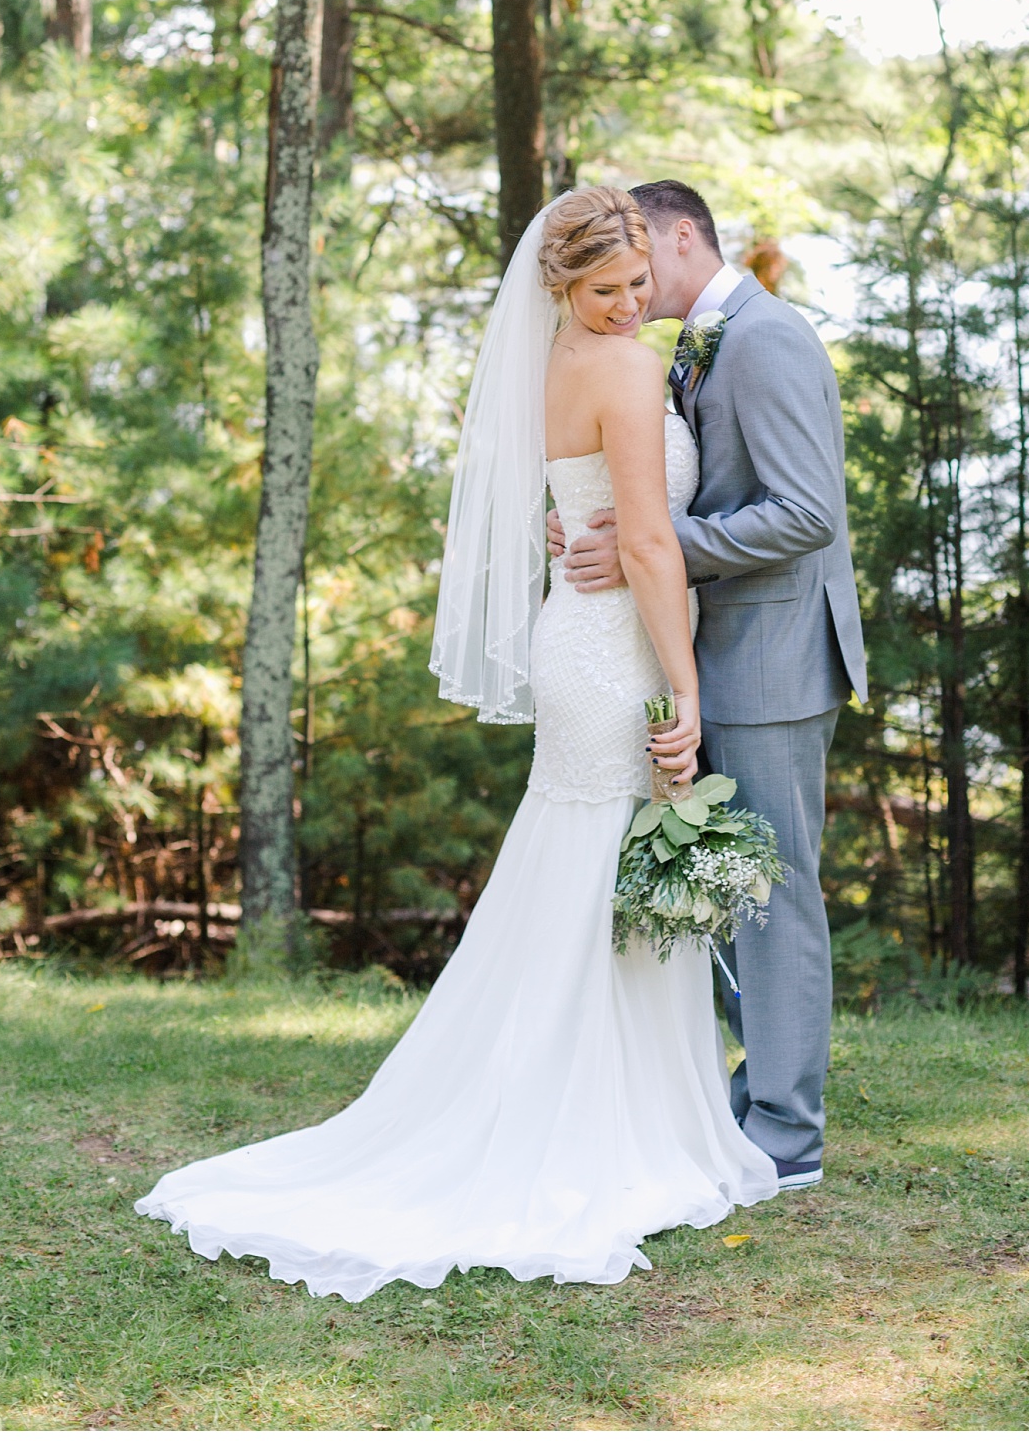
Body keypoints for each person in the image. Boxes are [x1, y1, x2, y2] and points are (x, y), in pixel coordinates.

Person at [135, 186, 777, 1301]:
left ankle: (599, 1110)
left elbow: (583, 508)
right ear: (560, 285)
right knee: (597, 879)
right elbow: (651, 549)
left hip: (576, 636)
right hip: (615, 653)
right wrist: (688, 693)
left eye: (638, 284)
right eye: (606, 289)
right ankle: (585, 1131)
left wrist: (591, 549)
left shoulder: (559, 363)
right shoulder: (622, 369)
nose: (632, 306)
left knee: (587, 878)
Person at [549, 180, 866, 1190]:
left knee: (774, 897)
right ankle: (748, 1095)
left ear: (683, 234)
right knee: (726, 892)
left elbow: (804, 511)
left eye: (644, 260)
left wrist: (658, 548)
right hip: (708, 650)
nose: (634, 293)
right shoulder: (698, 343)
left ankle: (788, 1134)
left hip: (772, 657)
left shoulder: (765, 337)